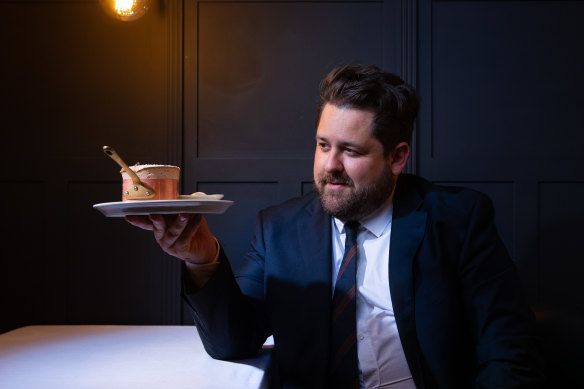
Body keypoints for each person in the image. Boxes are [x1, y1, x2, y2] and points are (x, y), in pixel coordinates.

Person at [126, 64, 543, 388]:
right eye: (323, 145)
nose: (329, 166)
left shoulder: (458, 220)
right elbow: (234, 341)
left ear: (397, 158)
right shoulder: (279, 229)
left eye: (351, 151)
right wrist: (202, 261)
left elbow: (509, 351)